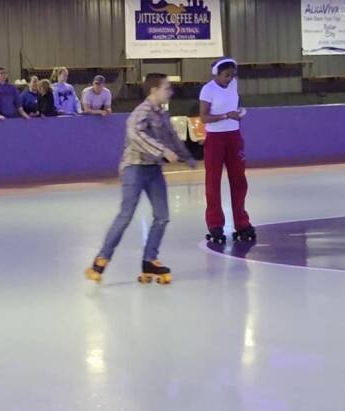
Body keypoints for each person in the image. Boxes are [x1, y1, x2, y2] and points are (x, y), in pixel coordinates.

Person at [85, 73, 195, 284]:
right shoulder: (140, 112)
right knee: (126, 216)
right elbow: (136, 135)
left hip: (153, 169)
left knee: (162, 216)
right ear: (154, 91)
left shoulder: (162, 114)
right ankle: (101, 260)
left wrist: (186, 156)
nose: (170, 92)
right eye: (166, 88)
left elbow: (172, 137)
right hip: (134, 168)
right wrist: (162, 151)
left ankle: (149, 259)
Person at [200, 57, 255, 244]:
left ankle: (242, 222)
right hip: (215, 139)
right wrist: (226, 116)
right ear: (217, 73)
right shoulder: (208, 90)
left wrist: (239, 113)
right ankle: (215, 224)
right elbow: (204, 118)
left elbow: (234, 107)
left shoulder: (234, 85)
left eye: (232, 76)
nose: (229, 79)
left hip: (234, 136)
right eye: (226, 76)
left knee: (239, 180)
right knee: (213, 182)